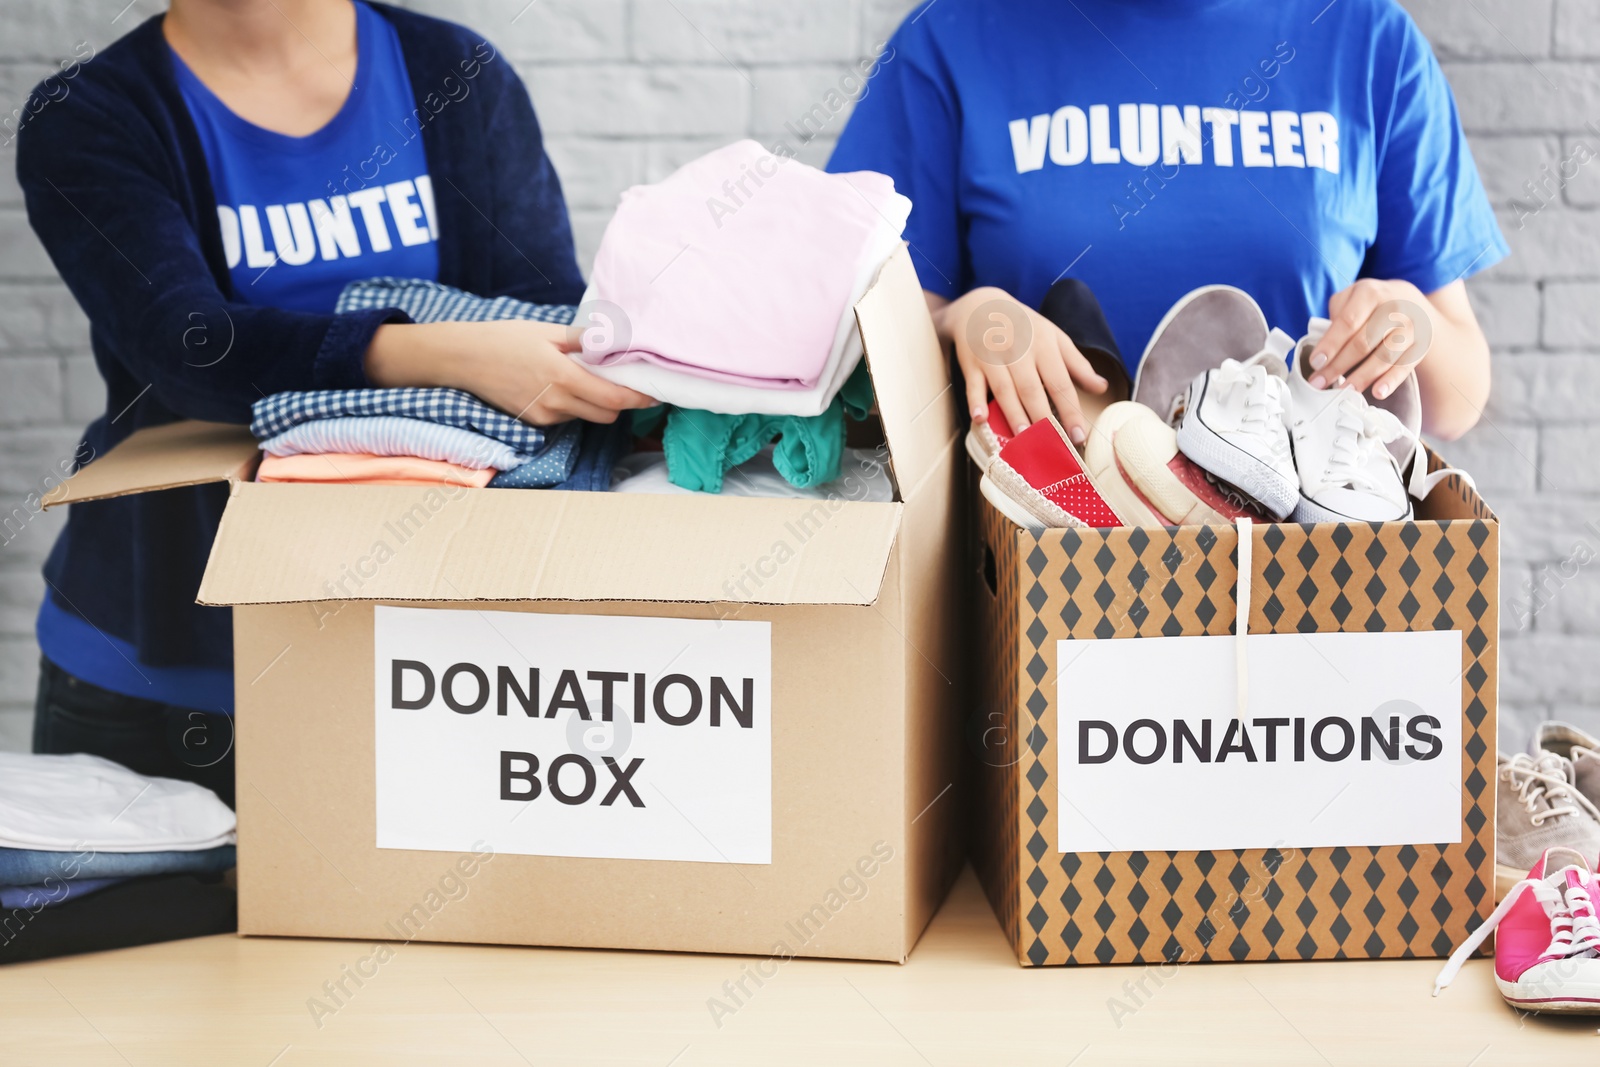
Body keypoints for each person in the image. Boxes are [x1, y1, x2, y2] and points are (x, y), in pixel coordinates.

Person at [16, 0, 652, 805]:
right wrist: (438, 350)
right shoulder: (87, 118)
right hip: (162, 668)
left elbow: (537, 311)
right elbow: (186, 349)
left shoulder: (452, 73)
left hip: (418, 653)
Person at [828, 0, 1505, 447]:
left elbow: (1459, 398)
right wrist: (960, 322)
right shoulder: (955, 36)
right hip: (1041, 556)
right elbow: (842, 341)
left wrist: (1409, 323)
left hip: (1305, 564)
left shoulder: (1367, 39)